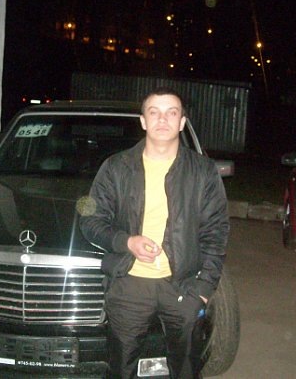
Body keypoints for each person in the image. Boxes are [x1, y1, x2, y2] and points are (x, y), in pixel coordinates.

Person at [79, 87, 230, 379]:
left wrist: (203, 290)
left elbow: (216, 232)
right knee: (120, 370)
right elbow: (90, 220)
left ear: (182, 122)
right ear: (143, 121)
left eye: (171, 113)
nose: (163, 119)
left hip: (183, 287)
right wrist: (127, 242)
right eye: (154, 112)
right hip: (129, 286)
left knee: (186, 370)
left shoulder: (203, 171)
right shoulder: (116, 167)